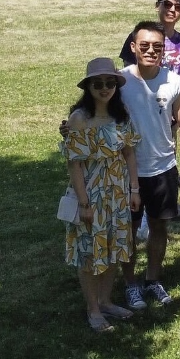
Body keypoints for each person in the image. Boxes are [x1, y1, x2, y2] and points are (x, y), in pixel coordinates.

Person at [117, 21, 180, 309]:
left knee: (160, 227)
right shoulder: (120, 82)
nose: (151, 51)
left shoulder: (173, 81)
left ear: (164, 50)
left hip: (163, 167)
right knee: (127, 231)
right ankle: (130, 285)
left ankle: (152, 279)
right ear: (133, 47)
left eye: (157, 47)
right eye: (145, 45)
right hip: (128, 172)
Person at [61, 57, 141, 333]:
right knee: (89, 253)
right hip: (92, 194)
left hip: (118, 193)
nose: (105, 88)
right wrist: (84, 203)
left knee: (114, 248)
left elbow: (129, 153)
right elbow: (75, 164)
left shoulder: (122, 115)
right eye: (98, 83)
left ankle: (106, 301)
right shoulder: (79, 119)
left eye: (110, 83)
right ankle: (92, 308)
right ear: (89, 87)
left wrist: (134, 189)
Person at [118, 0, 180, 95]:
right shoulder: (139, 37)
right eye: (167, 4)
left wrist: (172, 102)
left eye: (178, 7)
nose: (172, 9)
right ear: (157, 6)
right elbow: (129, 72)